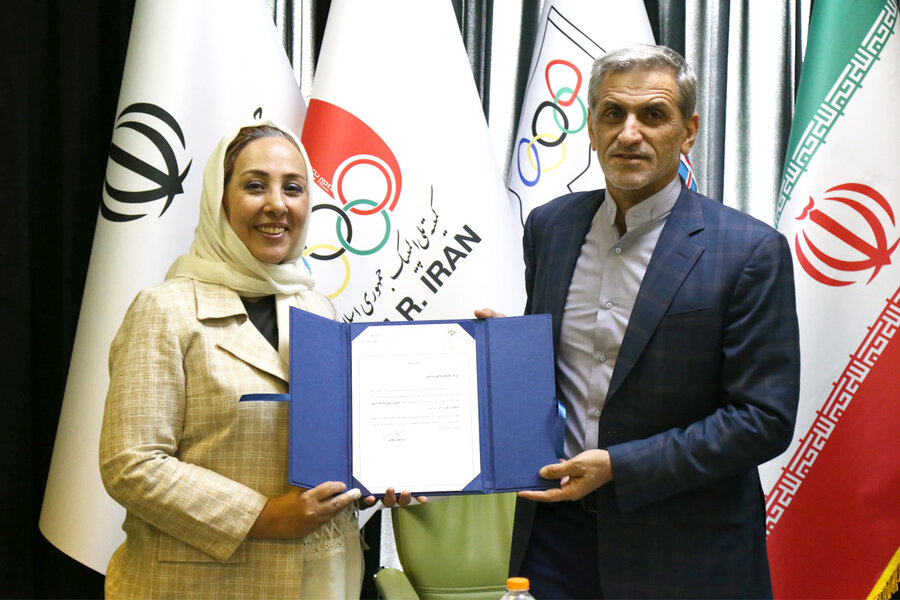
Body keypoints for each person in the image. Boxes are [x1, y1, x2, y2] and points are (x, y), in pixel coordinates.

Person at [477, 44, 800, 598]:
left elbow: (762, 418)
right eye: (613, 114)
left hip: (682, 547)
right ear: (591, 127)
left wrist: (621, 467)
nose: (629, 134)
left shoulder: (749, 250)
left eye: (653, 114)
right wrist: (505, 355)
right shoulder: (551, 227)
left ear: (688, 131)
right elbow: (559, 374)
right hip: (554, 536)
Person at [99, 121, 420, 599]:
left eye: (293, 188)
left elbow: (336, 443)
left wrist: (378, 475)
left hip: (325, 575)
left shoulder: (318, 310)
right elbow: (131, 464)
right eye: (254, 186)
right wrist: (264, 516)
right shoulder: (164, 309)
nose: (277, 204)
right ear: (220, 200)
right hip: (202, 584)